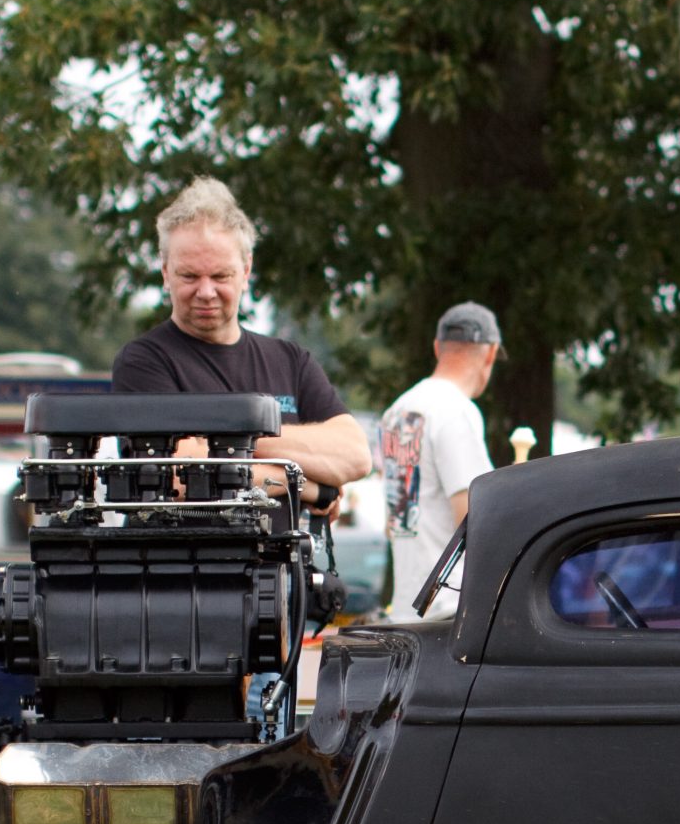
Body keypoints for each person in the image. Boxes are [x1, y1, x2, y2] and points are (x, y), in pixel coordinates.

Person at [109, 178, 371, 502]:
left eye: (221, 276)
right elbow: (175, 478)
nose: (206, 292)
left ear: (246, 271)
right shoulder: (142, 362)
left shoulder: (290, 361)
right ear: (165, 272)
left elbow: (355, 455)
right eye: (189, 276)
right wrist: (308, 485)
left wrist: (226, 443)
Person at [379, 303, 502, 622]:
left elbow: (395, 521)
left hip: (407, 609)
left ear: (437, 347)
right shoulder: (456, 410)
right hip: (450, 607)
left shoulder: (397, 411)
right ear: (490, 353)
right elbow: (476, 516)